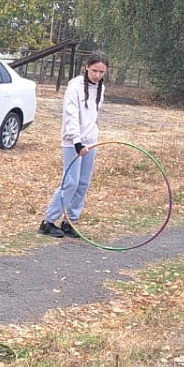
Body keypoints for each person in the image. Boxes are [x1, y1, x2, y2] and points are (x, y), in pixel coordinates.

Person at [40, 53, 109, 238]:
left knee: (83, 182)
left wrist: (90, 138)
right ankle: (48, 222)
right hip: (73, 142)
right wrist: (77, 141)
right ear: (87, 67)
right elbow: (71, 115)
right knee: (71, 181)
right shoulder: (75, 87)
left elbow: (92, 115)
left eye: (101, 72)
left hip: (90, 141)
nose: (97, 75)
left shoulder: (101, 88)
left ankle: (69, 221)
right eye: (94, 70)